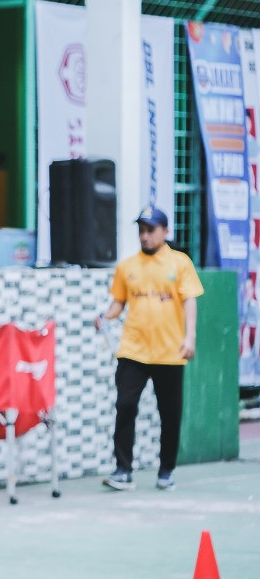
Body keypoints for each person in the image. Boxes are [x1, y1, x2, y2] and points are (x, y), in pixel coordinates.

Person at [93, 206, 202, 492]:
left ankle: (167, 469)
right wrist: (105, 316)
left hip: (169, 352)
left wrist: (189, 337)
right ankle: (123, 470)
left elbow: (190, 300)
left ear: (165, 231)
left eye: (150, 230)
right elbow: (118, 302)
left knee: (169, 412)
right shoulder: (127, 267)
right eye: (141, 230)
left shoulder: (180, 263)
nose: (145, 236)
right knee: (125, 406)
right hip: (133, 350)